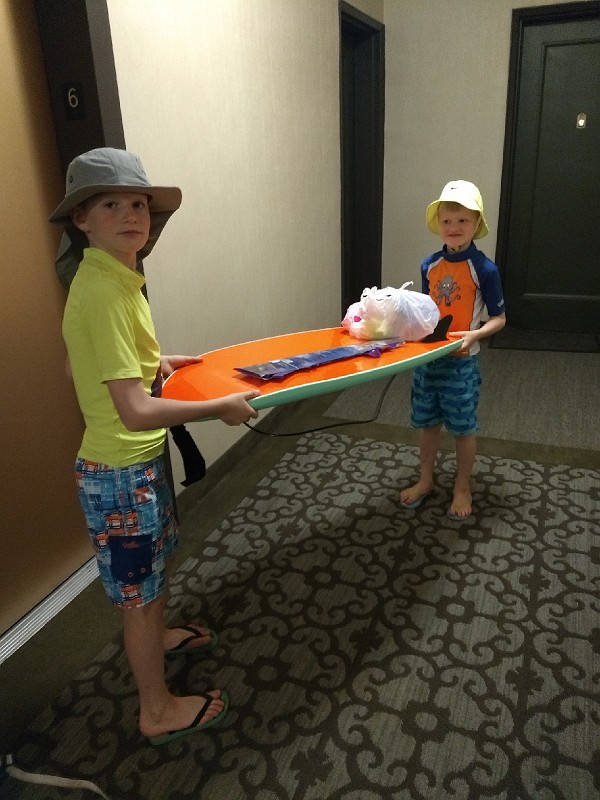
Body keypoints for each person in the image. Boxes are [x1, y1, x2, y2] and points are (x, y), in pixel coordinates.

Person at [50, 147, 260, 745]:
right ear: (81, 219)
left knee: (154, 571)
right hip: (120, 474)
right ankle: (157, 710)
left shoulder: (111, 277)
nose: (131, 215)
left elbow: (78, 364)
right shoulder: (104, 291)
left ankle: (160, 640)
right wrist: (218, 407)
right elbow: (136, 411)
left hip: (133, 466)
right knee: (138, 601)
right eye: (110, 205)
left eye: (139, 204)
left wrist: (155, 361)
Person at [399, 180, 506, 520]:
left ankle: (462, 486)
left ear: (476, 224)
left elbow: (500, 318)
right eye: (447, 221)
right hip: (429, 360)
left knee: (463, 428)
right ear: (438, 224)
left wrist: (476, 335)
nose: (454, 227)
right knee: (427, 423)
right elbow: (426, 311)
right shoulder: (429, 265)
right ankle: (425, 479)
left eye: (462, 220)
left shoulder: (485, 269)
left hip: (461, 363)